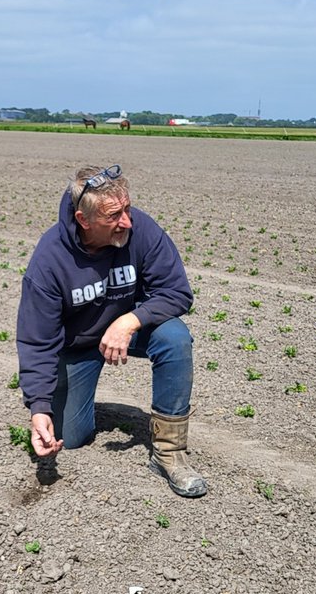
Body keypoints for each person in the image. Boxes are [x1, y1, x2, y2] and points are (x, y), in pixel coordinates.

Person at [16, 164, 207, 498]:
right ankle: (74, 401)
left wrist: (129, 321)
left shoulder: (141, 230)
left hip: (129, 329)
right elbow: (37, 341)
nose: (127, 222)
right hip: (78, 344)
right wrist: (39, 409)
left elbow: (177, 292)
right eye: (114, 216)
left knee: (174, 338)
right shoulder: (50, 260)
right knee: (70, 438)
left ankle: (169, 453)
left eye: (128, 209)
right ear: (83, 219)